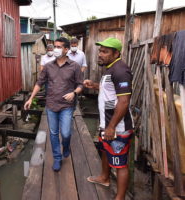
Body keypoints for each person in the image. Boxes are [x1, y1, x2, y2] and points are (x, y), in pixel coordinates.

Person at [83, 37, 133, 200]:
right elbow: (110, 91)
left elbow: (124, 101)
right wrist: (95, 85)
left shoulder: (121, 70)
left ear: (116, 53)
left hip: (118, 127)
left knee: (120, 164)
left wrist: (111, 127)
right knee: (105, 149)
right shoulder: (110, 68)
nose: (100, 54)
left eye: (105, 52)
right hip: (107, 123)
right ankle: (104, 178)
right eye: (100, 51)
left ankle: (120, 197)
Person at [24, 37, 83, 171]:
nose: (55, 49)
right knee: (54, 133)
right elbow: (39, 83)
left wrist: (74, 93)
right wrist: (30, 98)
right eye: (54, 46)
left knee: (66, 133)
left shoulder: (74, 66)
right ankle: (57, 158)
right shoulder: (48, 67)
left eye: (59, 47)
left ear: (66, 49)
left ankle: (66, 146)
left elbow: (80, 84)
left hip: (67, 106)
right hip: (51, 105)